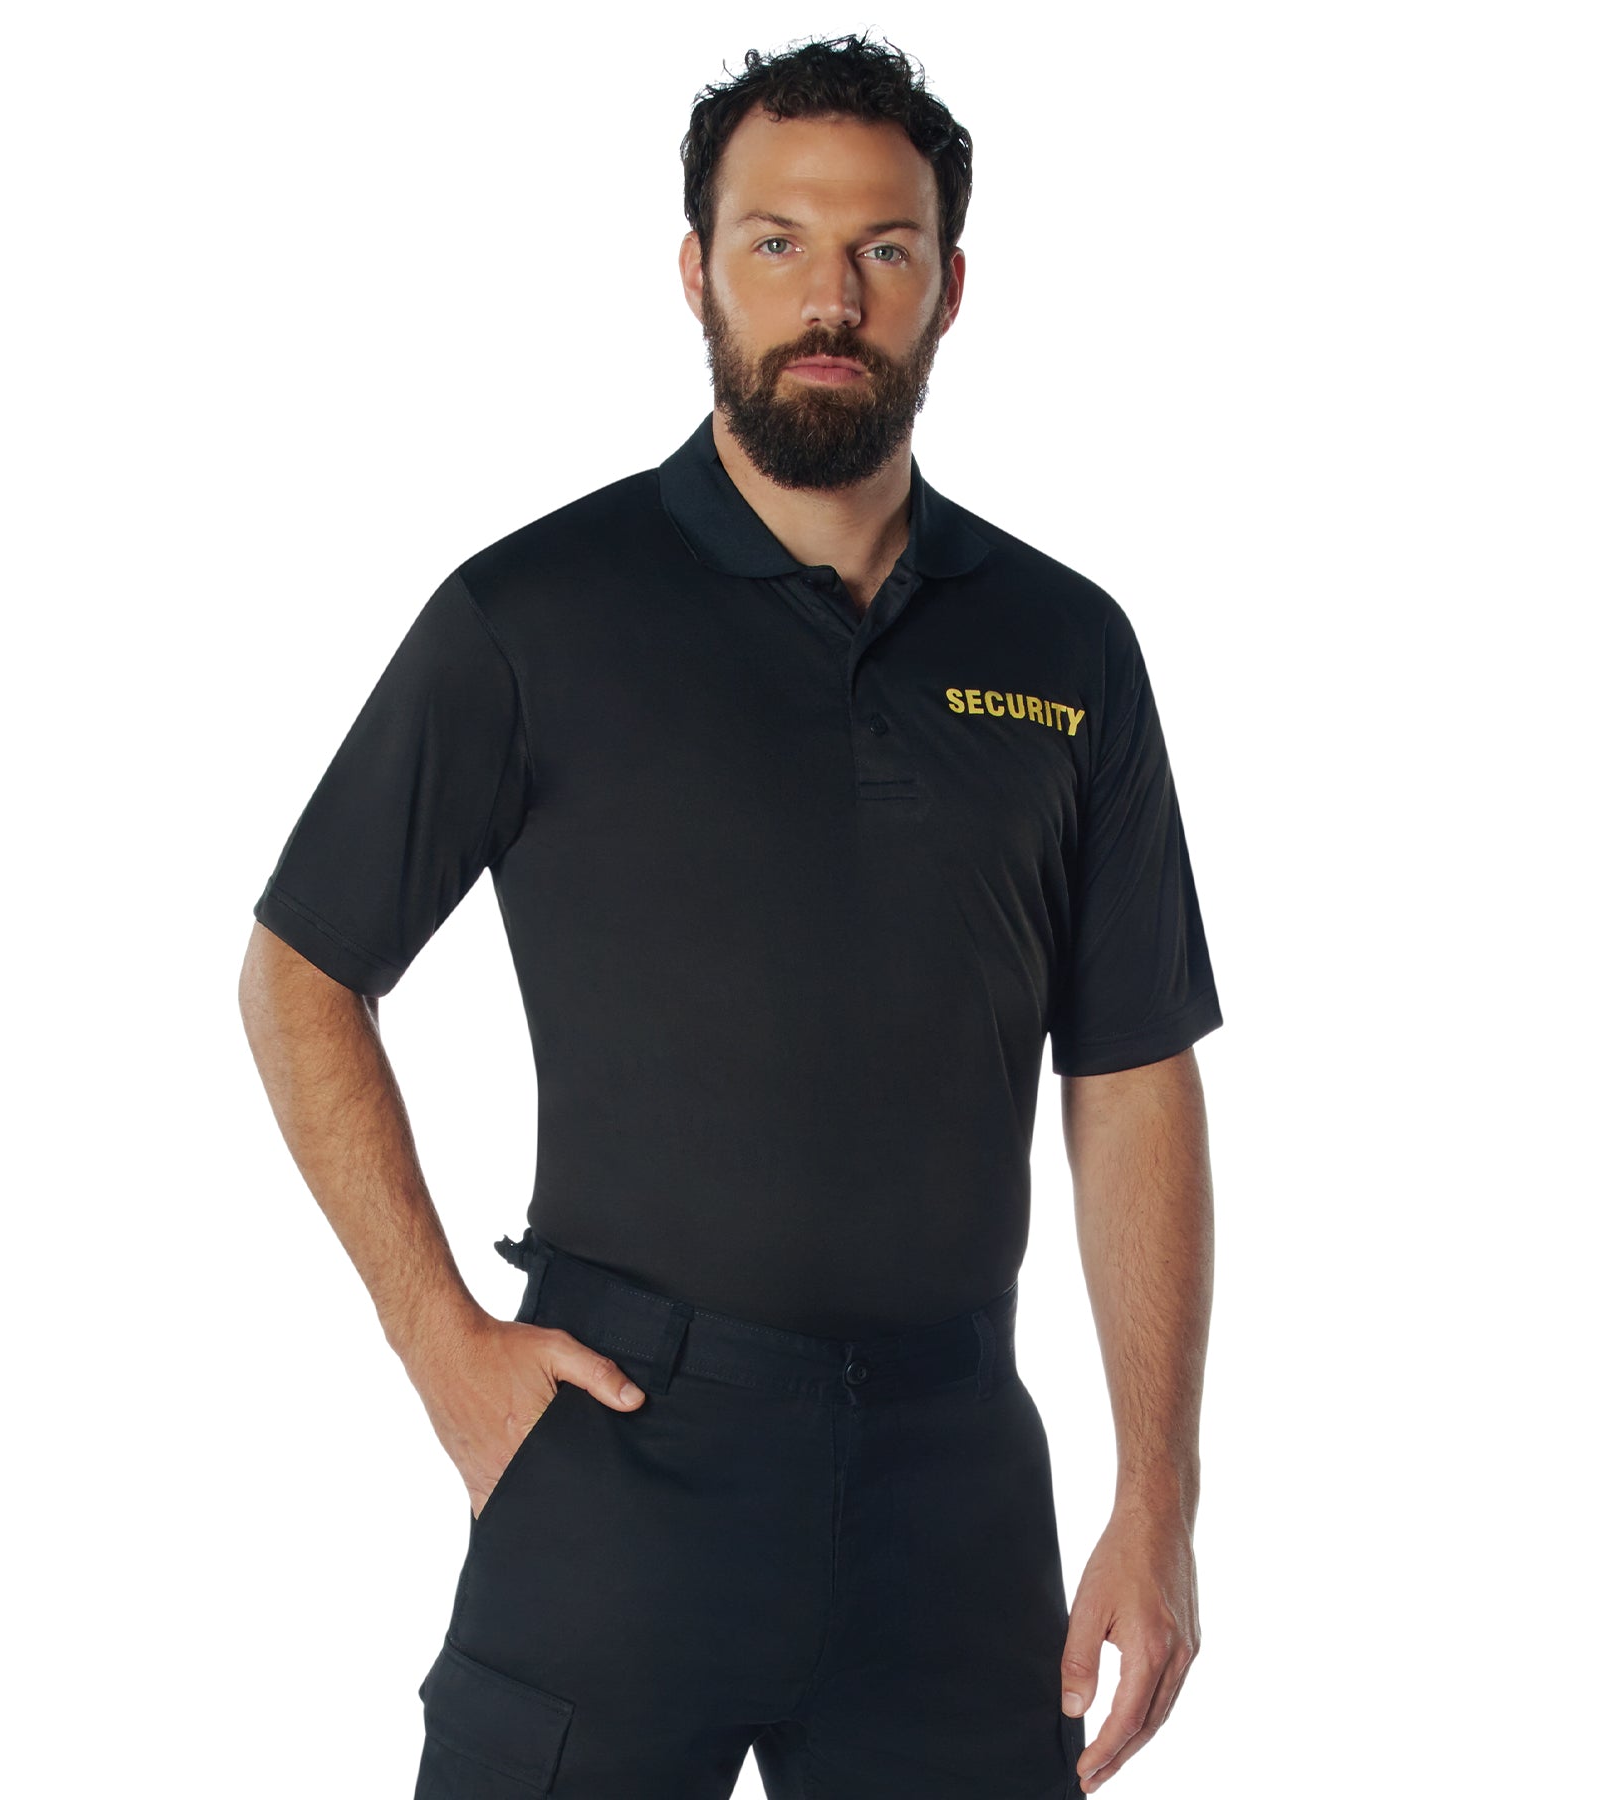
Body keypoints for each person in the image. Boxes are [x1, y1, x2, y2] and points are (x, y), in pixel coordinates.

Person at [239, 31, 1222, 1800]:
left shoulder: (1068, 647)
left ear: (950, 286)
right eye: (777, 242)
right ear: (696, 269)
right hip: (621, 1456)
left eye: (883, 249)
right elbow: (301, 972)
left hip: (954, 1484)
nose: (829, 297)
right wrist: (441, 1344)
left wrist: (1158, 1495)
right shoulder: (534, 615)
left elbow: (1134, 1071)